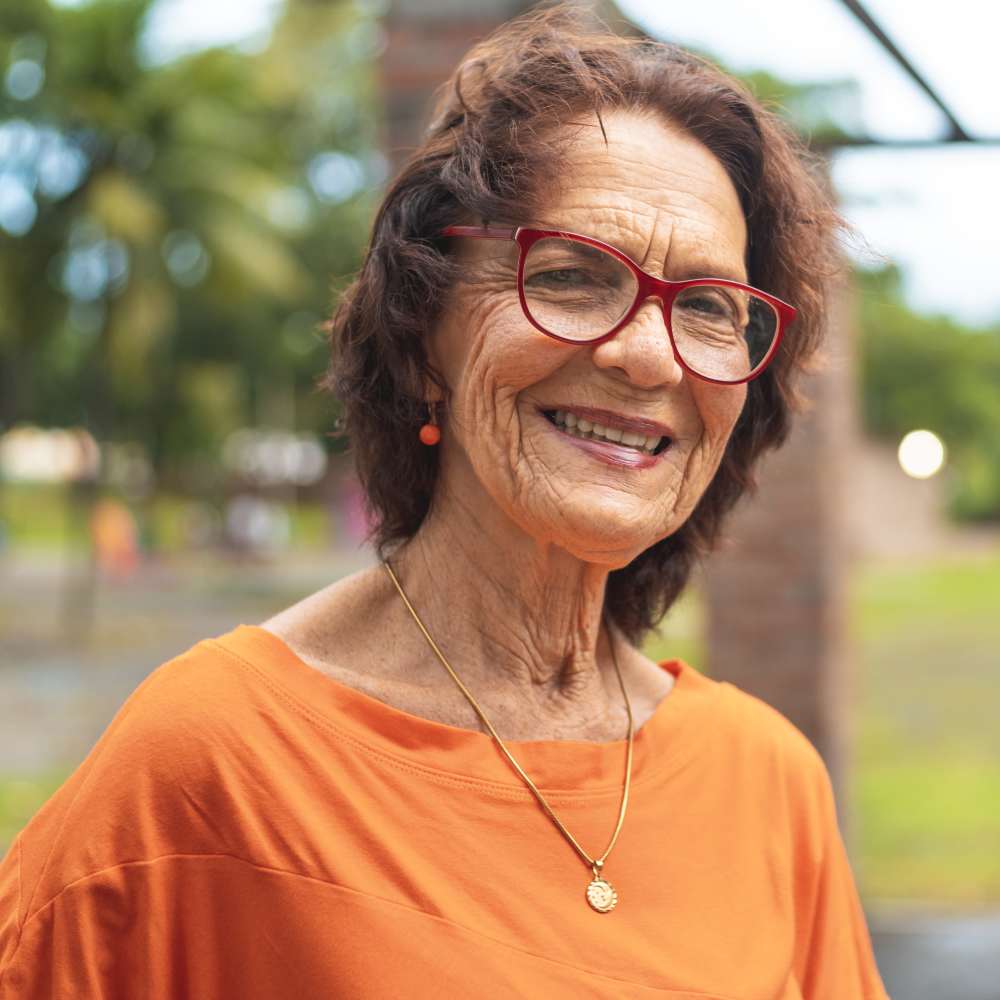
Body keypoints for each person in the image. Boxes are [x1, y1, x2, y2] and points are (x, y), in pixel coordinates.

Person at [0, 7, 891, 998]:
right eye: (570, 276)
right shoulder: (216, 763)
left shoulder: (764, 780)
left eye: (707, 306)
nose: (647, 353)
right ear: (424, 332)